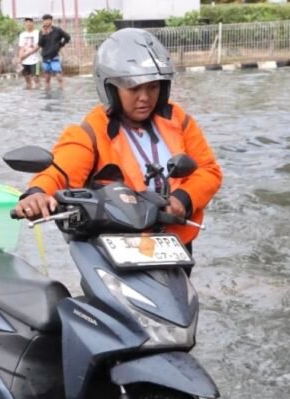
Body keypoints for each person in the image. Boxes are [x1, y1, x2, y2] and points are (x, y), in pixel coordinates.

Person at [15, 28, 222, 254]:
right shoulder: (91, 132)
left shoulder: (177, 120)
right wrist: (36, 193)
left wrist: (183, 198)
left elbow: (208, 170)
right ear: (111, 89)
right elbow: (60, 170)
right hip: (117, 247)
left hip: (174, 245)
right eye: (134, 88)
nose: (145, 97)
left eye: (153, 86)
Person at [38, 13, 71, 89]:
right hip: (45, 56)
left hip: (54, 56)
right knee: (47, 78)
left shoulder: (57, 30)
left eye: (48, 20)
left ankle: (63, 90)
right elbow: (40, 44)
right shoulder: (41, 32)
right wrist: (43, 34)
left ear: (51, 20)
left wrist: (61, 45)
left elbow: (67, 37)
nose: (46, 21)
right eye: (44, 20)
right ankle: (48, 92)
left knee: (58, 76)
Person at [17, 17, 41, 89]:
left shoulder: (37, 33)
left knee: (35, 78)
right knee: (27, 79)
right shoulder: (22, 34)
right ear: (24, 24)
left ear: (33, 23)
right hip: (24, 61)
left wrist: (25, 55)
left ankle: (38, 92)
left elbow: (37, 47)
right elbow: (21, 48)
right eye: (26, 22)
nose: (28, 24)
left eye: (30, 22)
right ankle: (28, 93)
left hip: (35, 60)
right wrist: (20, 58)